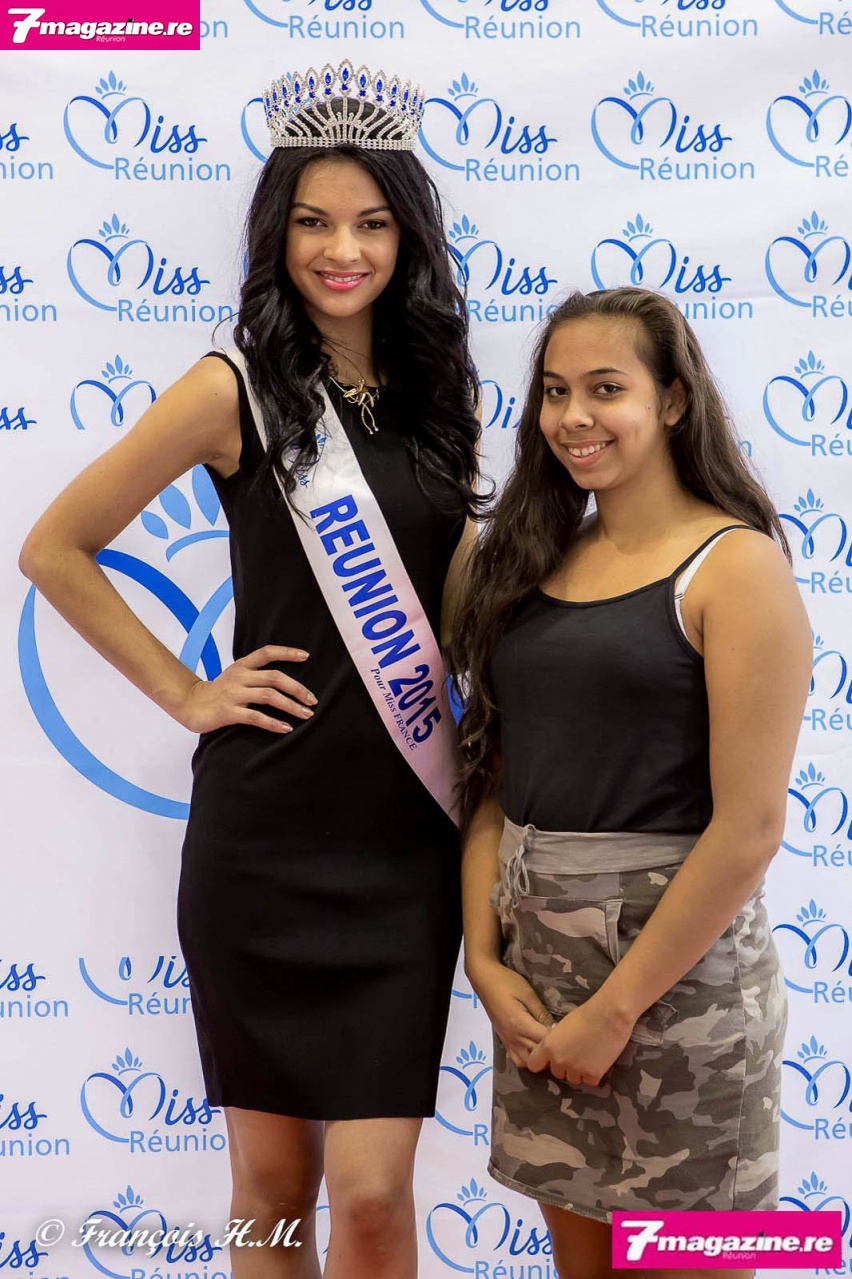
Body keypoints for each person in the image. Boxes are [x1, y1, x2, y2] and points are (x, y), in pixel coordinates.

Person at [19, 63, 481, 1279]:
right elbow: (55, 547)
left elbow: (457, 605)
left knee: (373, 1198)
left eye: (372, 223)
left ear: (408, 236)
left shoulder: (441, 393)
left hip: (404, 844)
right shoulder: (231, 387)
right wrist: (187, 692)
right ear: (277, 234)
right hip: (264, 838)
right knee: (271, 1188)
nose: (344, 251)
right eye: (315, 222)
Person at [451, 287, 811, 1279]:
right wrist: (484, 958)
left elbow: (749, 829)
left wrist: (614, 1011)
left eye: (606, 388)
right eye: (555, 391)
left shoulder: (736, 567)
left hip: (681, 998)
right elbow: (495, 780)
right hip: (542, 988)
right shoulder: (533, 562)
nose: (574, 416)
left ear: (673, 399)